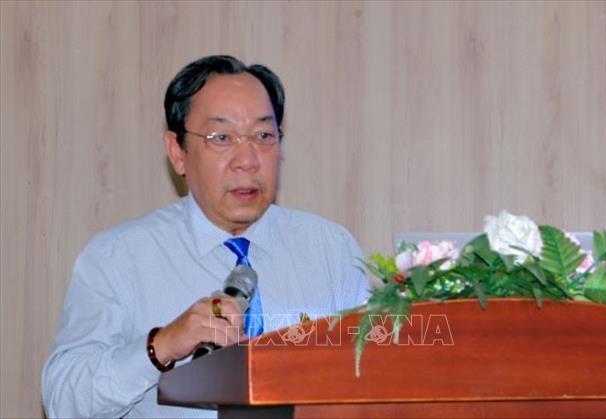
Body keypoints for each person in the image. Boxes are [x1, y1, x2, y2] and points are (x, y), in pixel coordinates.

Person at [42, 55, 370, 418]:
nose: (247, 160)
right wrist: (161, 346)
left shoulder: (330, 250)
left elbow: (377, 376)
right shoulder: (118, 257)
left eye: (263, 136)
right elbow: (62, 402)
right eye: (222, 138)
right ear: (178, 152)